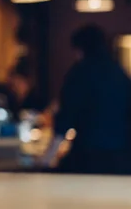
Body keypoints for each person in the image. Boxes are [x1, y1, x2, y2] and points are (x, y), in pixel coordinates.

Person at [39, 24, 131, 174]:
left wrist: (48, 157)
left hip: (88, 156)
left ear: (79, 49)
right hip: (121, 157)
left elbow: (66, 117)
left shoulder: (80, 72)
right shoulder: (119, 72)